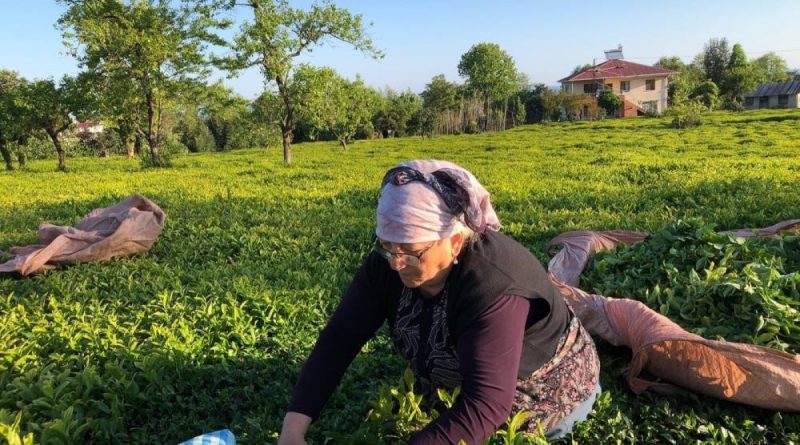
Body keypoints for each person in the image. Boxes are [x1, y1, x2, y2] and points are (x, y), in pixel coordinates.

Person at [278, 160, 601, 445]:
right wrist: (292, 431)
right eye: (388, 247)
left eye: (411, 252)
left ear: (455, 241)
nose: (396, 263)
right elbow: (340, 339)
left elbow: (486, 404)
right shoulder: (388, 262)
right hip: (462, 385)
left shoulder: (494, 283)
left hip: (537, 392)